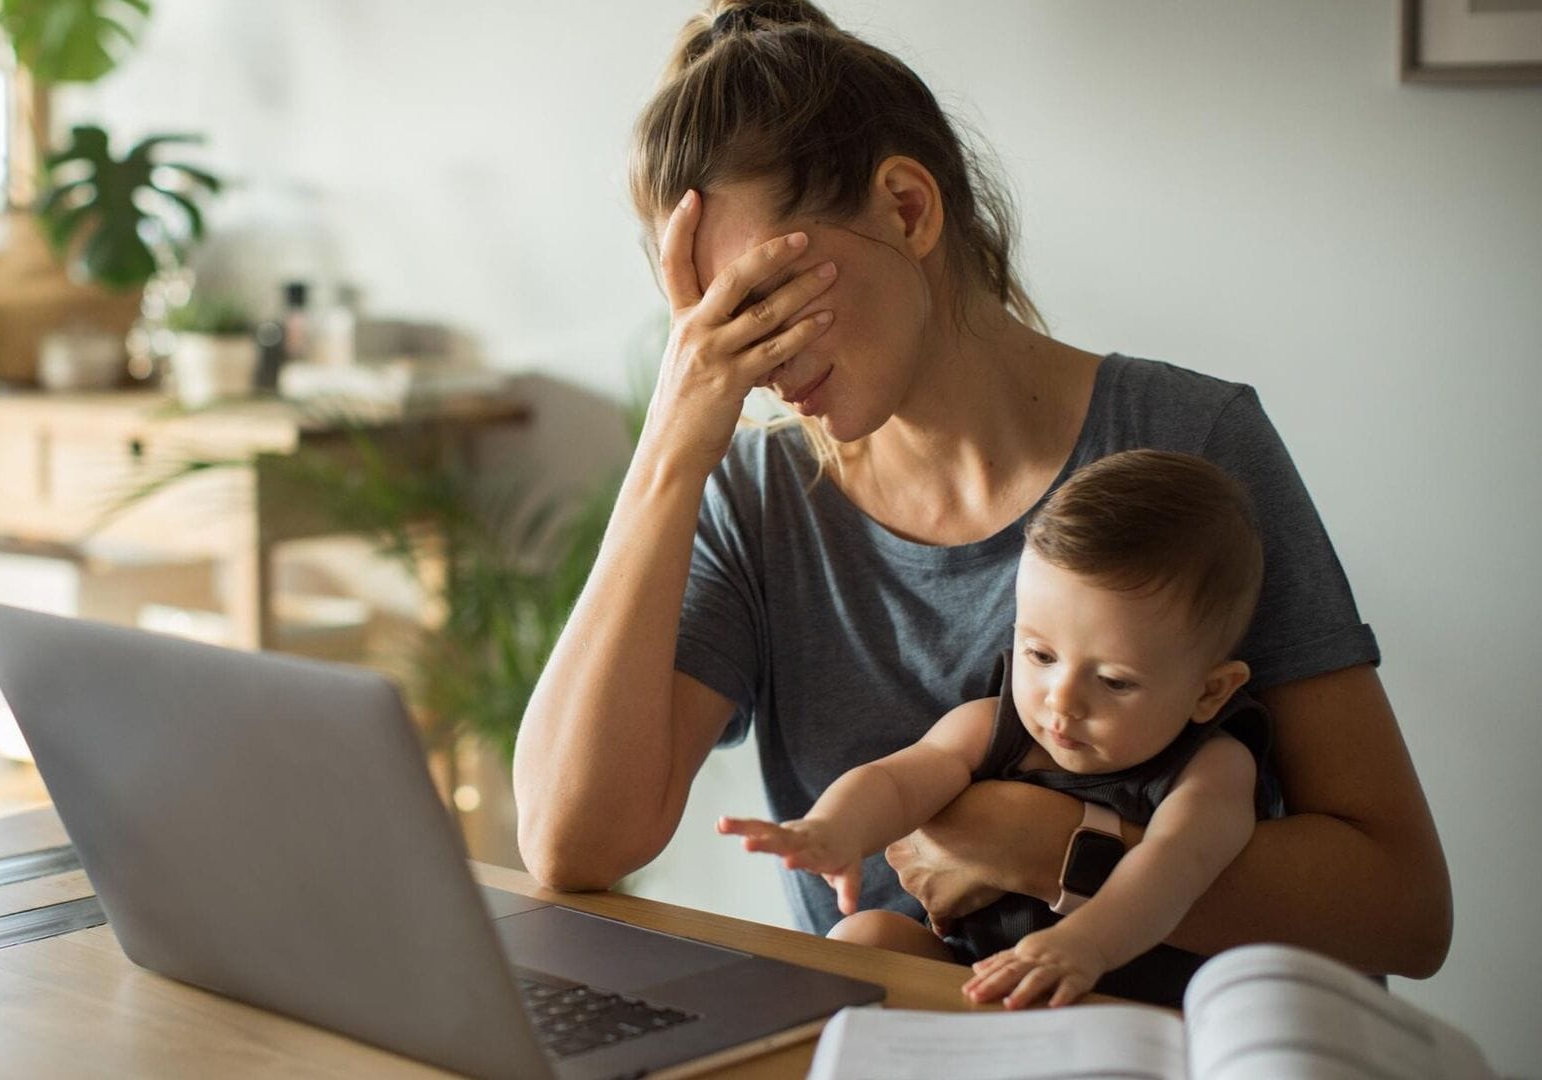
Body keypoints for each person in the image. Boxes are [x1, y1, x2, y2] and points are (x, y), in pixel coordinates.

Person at [512, 0, 1452, 997]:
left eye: (760, 306)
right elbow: (572, 843)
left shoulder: (1190, 443)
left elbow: (1401, 910)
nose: (746, 369)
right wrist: (669, 447)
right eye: (705, 328)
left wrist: (1058, 848)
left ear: (909, 209)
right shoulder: (758, 499)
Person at [718, 449, 1276, 1008]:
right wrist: (833, 830)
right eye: (1039, 653)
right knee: (865, 938)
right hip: (981, 983)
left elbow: (1175, 867)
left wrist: (1084, 944)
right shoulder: (994, 726)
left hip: (1120, 1005)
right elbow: (897, 781)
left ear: (1210, 692)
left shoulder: (1213, 766)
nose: (1062, 700)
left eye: (1114, 682)